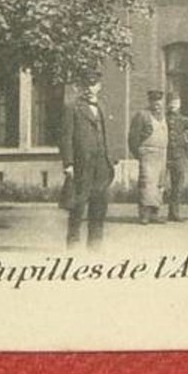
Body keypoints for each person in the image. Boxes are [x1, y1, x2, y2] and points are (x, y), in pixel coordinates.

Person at [60, 78, 115, 249]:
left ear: (99, 86)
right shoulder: (72, 107)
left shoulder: (103, 107)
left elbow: (107, 134)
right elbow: (65, 137)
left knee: (99, 204)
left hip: (102, 164)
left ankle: (95, 244)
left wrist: (111, 157)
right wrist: (68, 163)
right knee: (78, 203)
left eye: (93, 85)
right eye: (86, 85)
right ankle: (73, 242)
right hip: (82, 163)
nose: (90, 88)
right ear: (81, 87)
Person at [127, 89, 169, 224]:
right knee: (147, 183)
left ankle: (155, 213)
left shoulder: (163, 117)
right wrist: (137, 153)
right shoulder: (142, 115)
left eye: (159, 101)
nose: (156, 104)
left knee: (159, 184)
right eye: (153, 101)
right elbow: (133, 137)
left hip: (162, 153)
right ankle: (144, 214)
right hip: (147, 153)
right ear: (149, 101)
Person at [163, 93, 188, 223]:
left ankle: (174, 213)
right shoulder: (162, 119)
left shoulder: (184, 120)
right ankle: (152, 213)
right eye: (171, 103)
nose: (173, 105)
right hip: (164, 155)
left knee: (178, 186)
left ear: (179, 104)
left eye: (176, 103)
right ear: (167, 104)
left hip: (179, 157)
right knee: (160, 185)